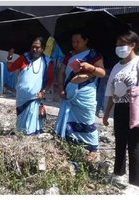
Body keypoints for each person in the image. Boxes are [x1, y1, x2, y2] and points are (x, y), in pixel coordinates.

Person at [54, 30, 105, 161]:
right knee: (68, 119)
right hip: (69, 94)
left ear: (86, 40)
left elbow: (102, 73)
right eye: (73, 41)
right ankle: (70, 145)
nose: (75, 44)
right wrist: (61, 88)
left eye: (78, 41)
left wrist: (90, 68)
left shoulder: (93, 55)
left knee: (88, 120)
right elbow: (61, 73)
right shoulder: (69, 55)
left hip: (85, 94)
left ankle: (93, 150)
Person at [103, 30, 139, 187]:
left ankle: (135, 182)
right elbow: (111, 93)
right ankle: (118, 174)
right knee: (120, 141)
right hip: (120, 108)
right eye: (117, 45)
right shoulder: (117, 67)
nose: (118, 48)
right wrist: (106, 114)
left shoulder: (137, 63)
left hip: (135, 108)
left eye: (122, 45)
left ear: (132, 45)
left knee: (134, 144)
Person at [6, 37, 53, 135]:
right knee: (21, 116)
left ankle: (30, 134)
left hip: (35, 96)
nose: (34, 49)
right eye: (33, 47)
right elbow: (10, 68)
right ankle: (20, 133)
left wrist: (43, 92)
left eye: (37, 47)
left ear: (43, 49)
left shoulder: (47, 62)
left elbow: (50, 80)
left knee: (32, 114)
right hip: (21, 95)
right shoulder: (24, 58)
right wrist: (10, 56)